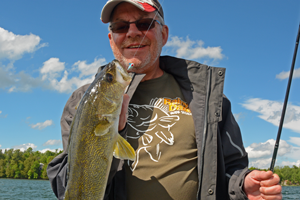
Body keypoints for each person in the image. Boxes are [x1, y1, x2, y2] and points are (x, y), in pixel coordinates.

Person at [47, 0, 282, 199]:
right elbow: (67, 186)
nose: (132, 32)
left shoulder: (209, 98)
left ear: (164, 33)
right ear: (111, 38)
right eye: (120, 26)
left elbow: (231, 169)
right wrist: (108, 136)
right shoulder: (82, 103)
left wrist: (244, 185)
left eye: (143, 23)